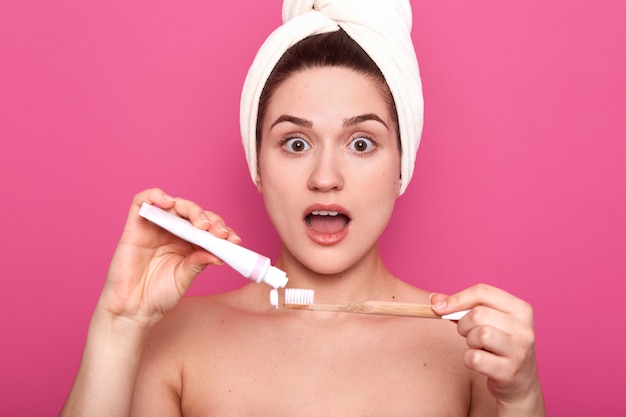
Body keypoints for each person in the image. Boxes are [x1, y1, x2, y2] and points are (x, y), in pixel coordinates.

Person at [60, 0, 546, 416]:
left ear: (403, 165)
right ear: (257, 165)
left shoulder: (471, 352)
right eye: (295, 143)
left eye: (361, 143)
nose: (325, 177)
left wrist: (522, 398)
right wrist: (118, 323)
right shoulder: (175, 340)